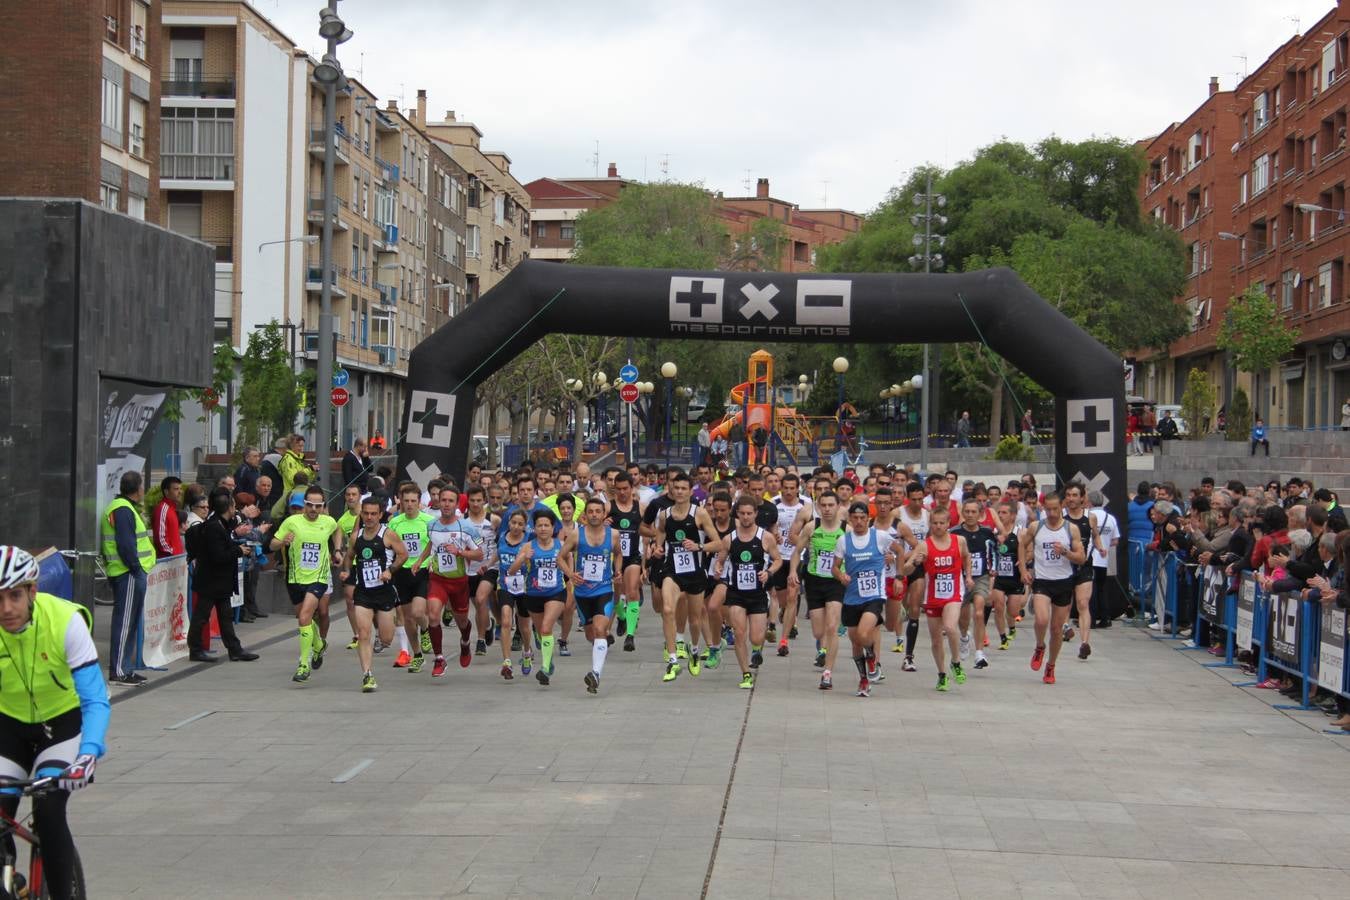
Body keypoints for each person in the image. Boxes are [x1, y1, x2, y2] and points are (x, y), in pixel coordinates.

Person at [0, 546, 110, 900]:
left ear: (32, 591)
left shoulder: (66, 621)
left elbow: (95, 700)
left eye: (14, 596)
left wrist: (88, 755)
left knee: (48, 812)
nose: (6, 609)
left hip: (60, 728)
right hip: (10, 727)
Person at [269, 486, 343, 683]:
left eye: (318, 506)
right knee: (303, 619)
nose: (313, 509)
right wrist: (283, 541)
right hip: (294, 578)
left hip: (318, 578)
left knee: (304, 617)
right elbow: (272, 544)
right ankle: (318, 645)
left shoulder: (328, 522)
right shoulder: (291, 522)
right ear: (305, 504)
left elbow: (337, 530)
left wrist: (337, 550)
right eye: (310, 505)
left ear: (323, 506)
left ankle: (304, 664)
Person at [652, 473, 719, 682]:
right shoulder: (664, 514)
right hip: (672, 570)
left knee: (695, 619)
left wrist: (699, 546)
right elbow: (661, 533)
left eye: (683, 488)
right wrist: (657, 547)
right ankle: (672, 660)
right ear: (671, 490)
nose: (679, 491)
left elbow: (718, 543)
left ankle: (695, 650)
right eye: (676, 488)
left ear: (691, 491)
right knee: (668, 609)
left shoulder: (699, 514)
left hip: (695, 572)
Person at [412, 486, 484, 677]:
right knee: (434, 615)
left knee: (461, 621)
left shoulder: (466, 527)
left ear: (456, 504)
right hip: (438, 579)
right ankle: (439, 658)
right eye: (443, 500)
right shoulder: (431, 525)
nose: (446, 504)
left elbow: (479, 554)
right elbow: (431, 543)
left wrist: (460, 552)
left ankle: (466, 641)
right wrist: (420, 560)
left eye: (450, 501)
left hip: (459, 581)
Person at [340, 497, 408, 692]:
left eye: (373, 514)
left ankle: (382, 636)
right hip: (363, 592)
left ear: (380, 515)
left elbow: (403, 554)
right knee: (363, 634)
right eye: (365, 513)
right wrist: (346, 571)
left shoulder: (388, 535)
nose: (369, 517)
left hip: (384, 592)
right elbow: (349, 556)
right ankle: (367, 675)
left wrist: (390, 571)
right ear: (361, 514)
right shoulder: (356, 536)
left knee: (386, 639)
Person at [184, 491, 260, 664]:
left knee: (225, 617)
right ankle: (195, 649)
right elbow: (218, 555)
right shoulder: (213, 527)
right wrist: (238, 550)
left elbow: (232, 527)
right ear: (228, 507)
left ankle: (235, 649)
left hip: (220, 582)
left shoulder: (221, 523)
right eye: (233, 505)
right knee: (201, 616)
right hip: (210, 581)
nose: (235, 509)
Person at [1019, 492, 1086, 685]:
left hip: (1063, 582)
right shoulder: (1036, 526)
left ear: (1062, 506)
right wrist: (1024, 570)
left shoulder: (1070, 529)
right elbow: (1022, 545)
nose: (1052, 513)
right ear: (1043, 508)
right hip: (1042, 580)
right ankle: (1040, 646)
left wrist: (1065, 552)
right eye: (1048, 509)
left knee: (1056, 629)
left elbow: (1081, 558)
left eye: (1055, 509)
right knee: (1041, 619)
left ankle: (1051, 665)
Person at [832, 501, 896, 697]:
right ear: (850, 519)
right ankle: (864, 679)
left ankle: (872, 658)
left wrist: (898, 572)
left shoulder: (880, 537)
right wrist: (841, 576)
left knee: (862, 633)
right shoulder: (844, 540)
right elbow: (835, 567)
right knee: (856, 643)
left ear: (869, 518)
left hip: (874, 596)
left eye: (863, 518)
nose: (859, 522)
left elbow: (900, 551)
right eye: (855, 518)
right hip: (852, 597)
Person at [100, 471, 156, 686]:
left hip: (127, 572)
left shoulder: (122, 508)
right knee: (125, 622)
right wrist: (135, 568)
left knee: (129, 621)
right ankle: (120, 671)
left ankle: (125, 667)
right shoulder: (123, 510)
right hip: (128, 573)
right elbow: (126, 544)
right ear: (138, 489)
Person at [563, 498, 623, 694]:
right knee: (591, 634)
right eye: (591, 511)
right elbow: (559, 556)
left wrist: (618, 570)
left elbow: (619, 553)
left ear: (603, 514)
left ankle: (595, 673)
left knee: (599, 629)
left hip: (604, 589)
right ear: (585, 515)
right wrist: (571, 575)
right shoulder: (576, 535)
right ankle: (600, 646)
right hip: (582, 593)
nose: (595, 514)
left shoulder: (613, 535)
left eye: (599, 511)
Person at [790, 490, 845, 689]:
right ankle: (823, 647)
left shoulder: (845, 529)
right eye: (824, 505)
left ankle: (827, 673)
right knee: (818, 631)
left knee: (831, 628)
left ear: (838, 506)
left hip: (835, 582)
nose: (828, 509)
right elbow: (797, 552)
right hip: (813, 581)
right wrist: (792, 572)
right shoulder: (812, 527)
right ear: (819, 507)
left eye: (831, 505)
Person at [509, 511, 570, 686]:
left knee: (545, 627)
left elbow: (569, 560)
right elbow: (512, 571)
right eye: (539, 525)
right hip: (533, 594)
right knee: (541, 631)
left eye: (547, 525)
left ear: (553, 528)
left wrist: (572, 578)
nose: (543, 529)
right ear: (534, 528)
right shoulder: (528, 546)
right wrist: (522, 559)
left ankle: (544, 668)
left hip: (556, 592)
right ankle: (548, 659)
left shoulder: (560, 544)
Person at [386, 484, 434, 669]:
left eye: (413, 501)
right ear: (400, 501)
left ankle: (426, 629)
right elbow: (388, 547)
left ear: (419, 502)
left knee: (418, 612)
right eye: (406, 501)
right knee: (407, 618)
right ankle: (417, 654)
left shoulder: (428, 521)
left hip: (421, 570)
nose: (409, 504)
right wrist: (389, 568)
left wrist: (430, 562)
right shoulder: (395, 523)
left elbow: (435, 544)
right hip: (402, 572)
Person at [272, 434, 314, 519]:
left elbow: (305, 480)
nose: (301, 448)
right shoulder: (288, 459)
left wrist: (312, 471)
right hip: (291, 495)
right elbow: (294, 479)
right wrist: (309, 470)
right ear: (291, 445)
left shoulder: (298, 459)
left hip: (300, 493)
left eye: (302, 446)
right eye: (299, 446)